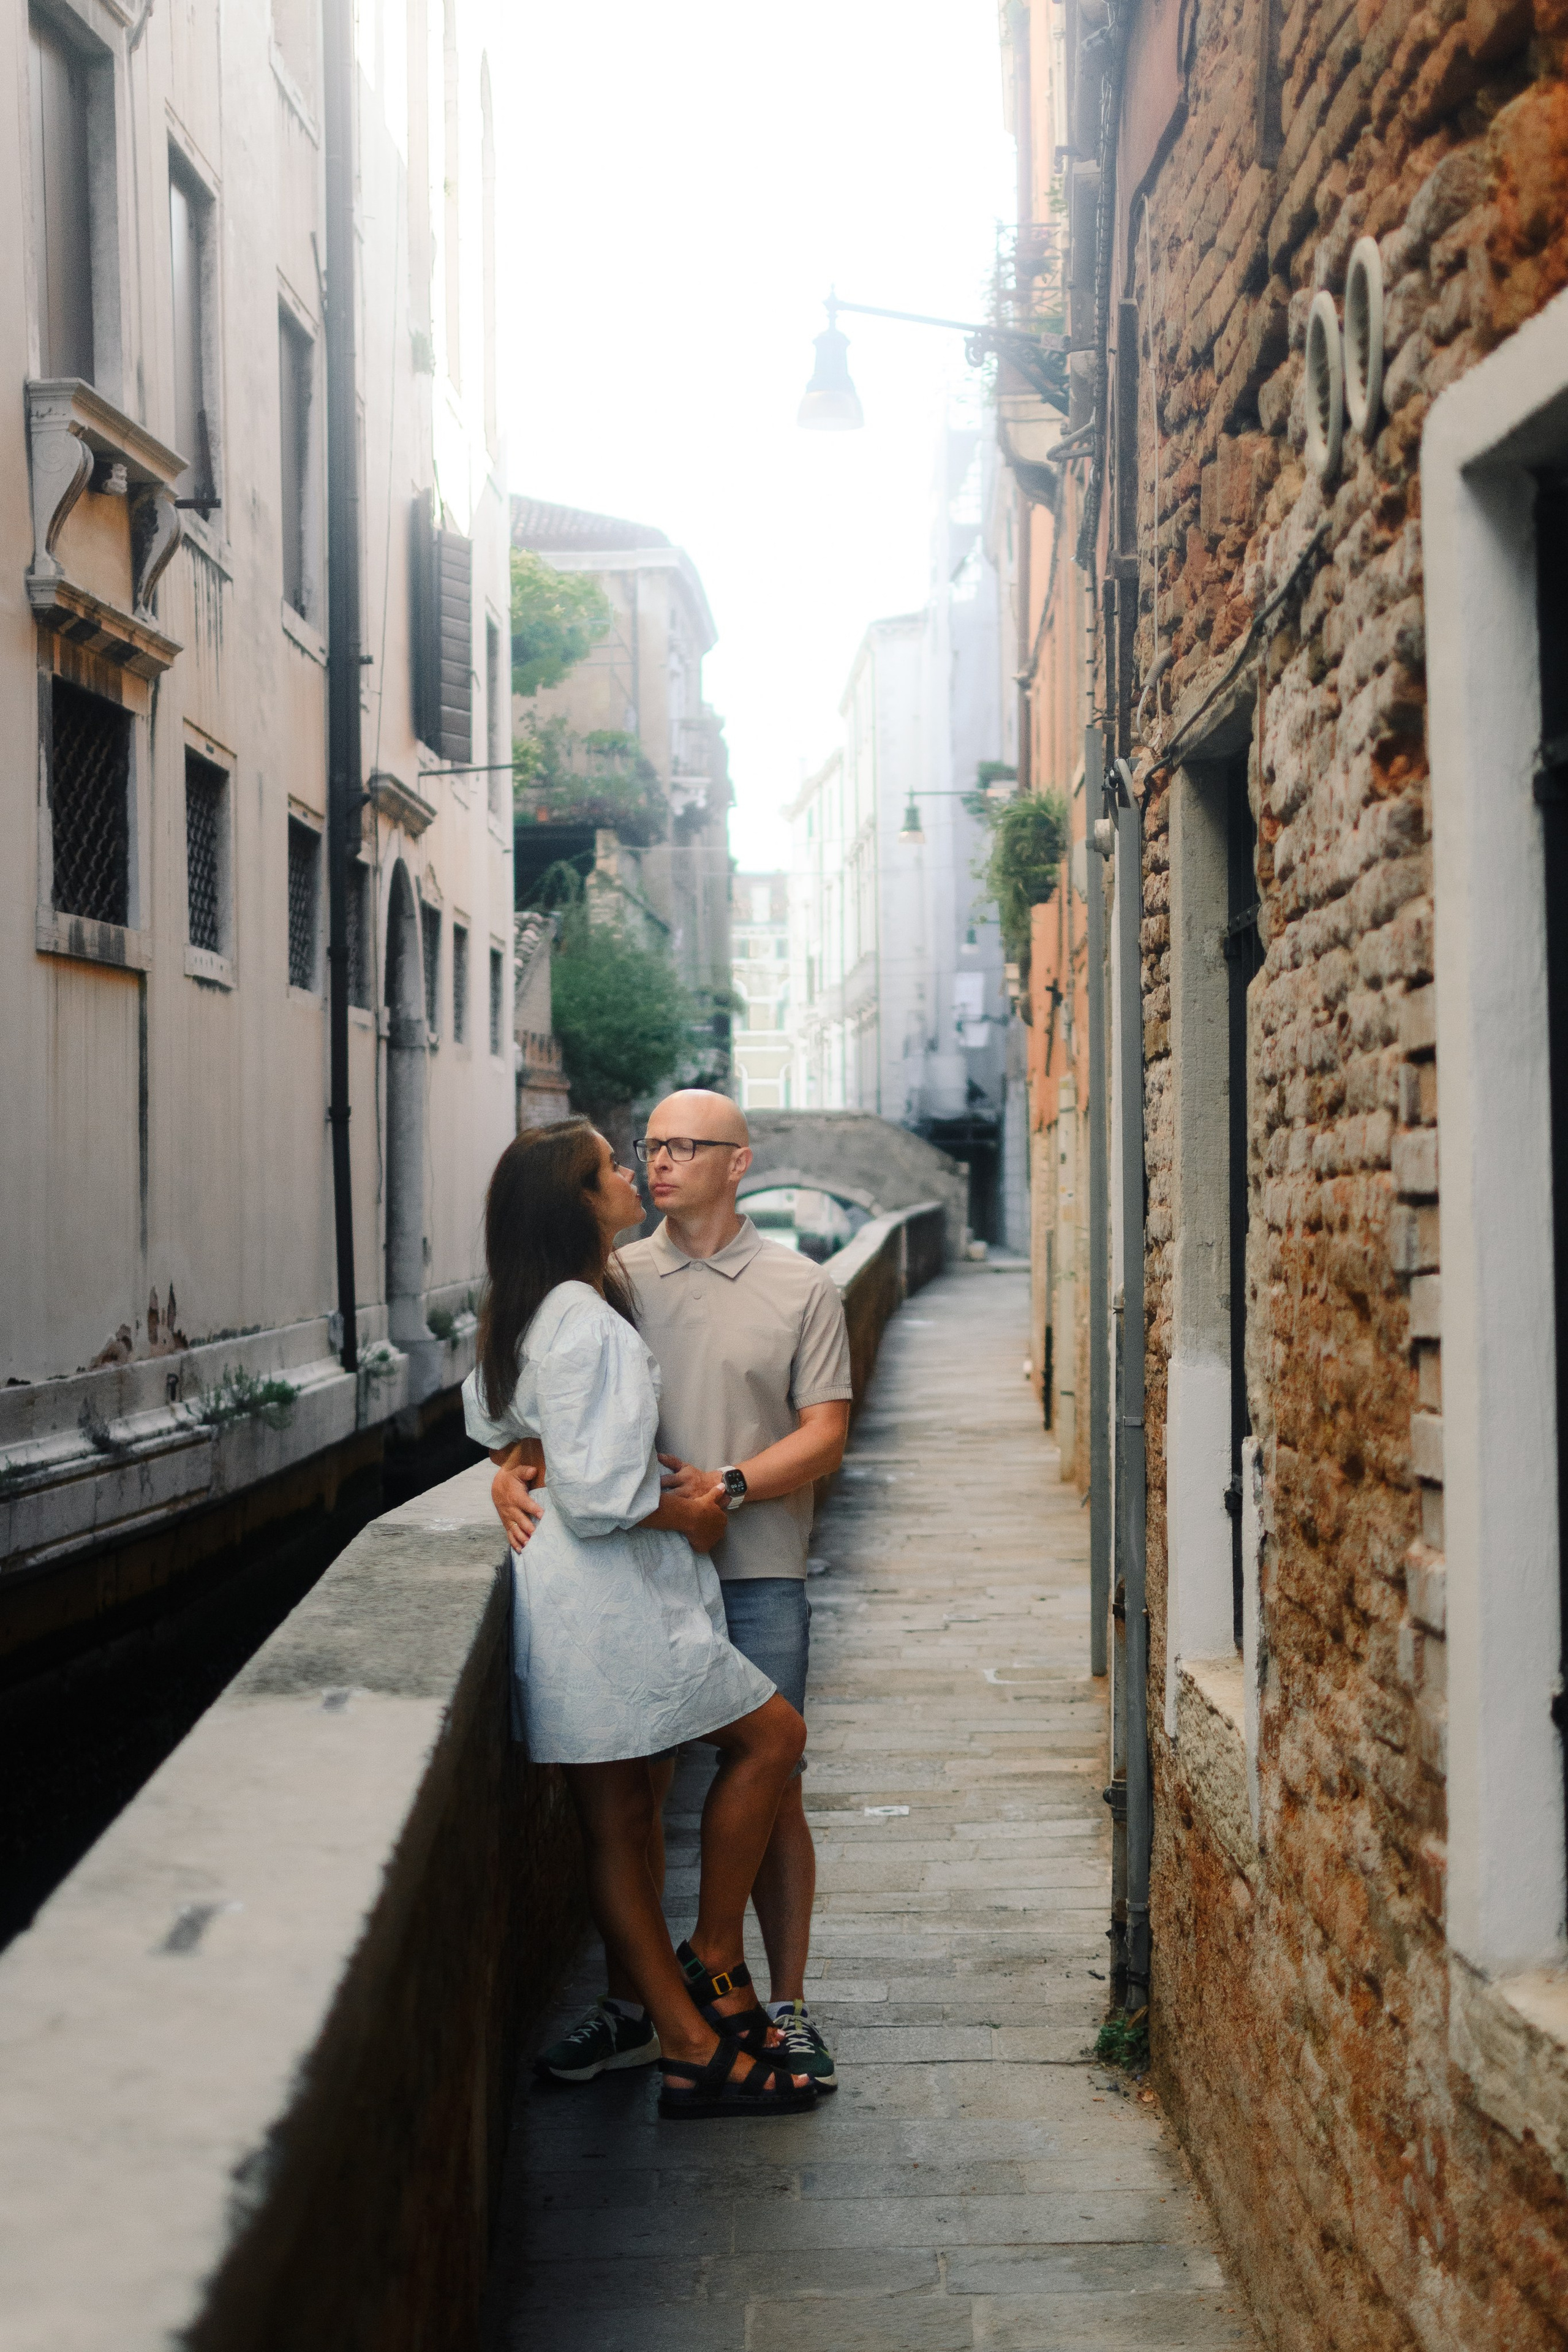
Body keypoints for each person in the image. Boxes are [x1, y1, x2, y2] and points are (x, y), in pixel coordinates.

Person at [492, 1090, 851, 2094]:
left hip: (757, 1561)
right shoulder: (606, 1281)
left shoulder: (801, 1284)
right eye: (646, 1147)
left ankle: (781, 2000)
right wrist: (509, 1465)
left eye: (682, 1146)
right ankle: (641, 2009)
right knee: (637, 1798)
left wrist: (729, 1488)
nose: (656, 1162)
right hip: (641, 1575)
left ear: (740, 1163)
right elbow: (551, 1412)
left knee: (776, 1780)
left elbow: (825, 1429)